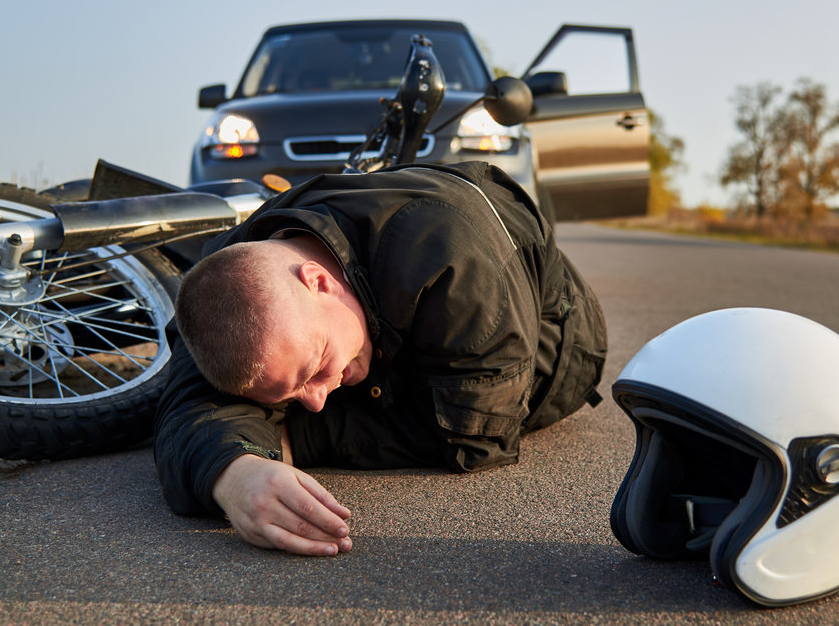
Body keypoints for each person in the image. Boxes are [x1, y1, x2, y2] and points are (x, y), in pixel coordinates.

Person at [154, 161, 608, 556]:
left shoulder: (458, 266)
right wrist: (237, 473)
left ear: (318, 281)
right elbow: (183, 406)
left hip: (555, 350)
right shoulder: (225, 286)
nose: (314, 402)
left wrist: (287, 436)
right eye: (297, 392)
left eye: (313, 370)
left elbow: (473, 437)